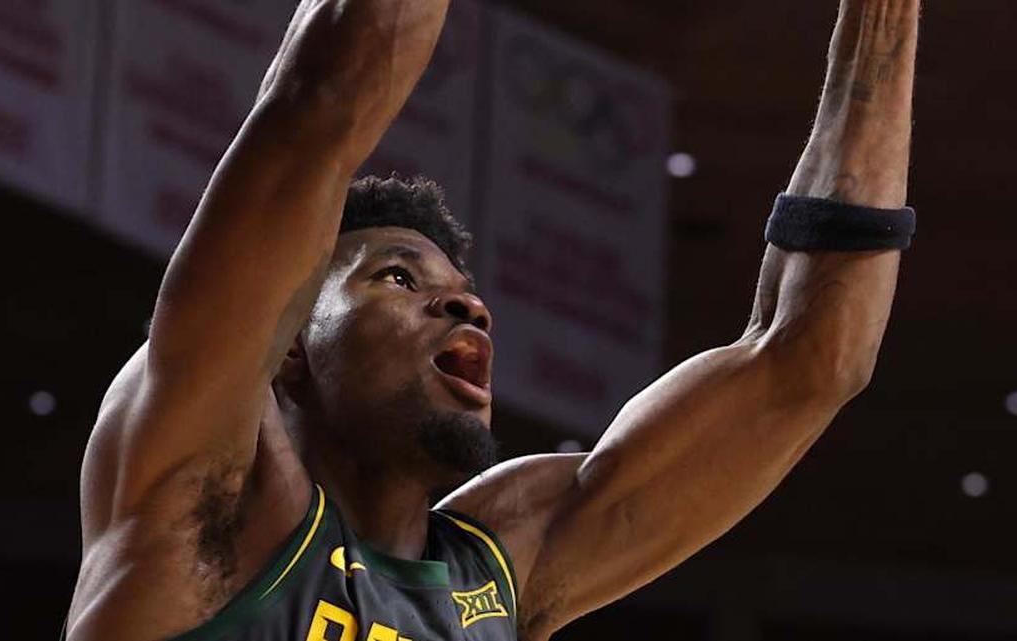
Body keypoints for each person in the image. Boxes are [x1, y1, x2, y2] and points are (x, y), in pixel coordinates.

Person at [64, 1, 920, 640]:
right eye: (398, 278)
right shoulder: (198, 502)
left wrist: (886, 15)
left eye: (463, 289)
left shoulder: (497, 566)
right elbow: (320, 105)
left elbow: (805, 358)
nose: (465, 303)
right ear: (289, 344)